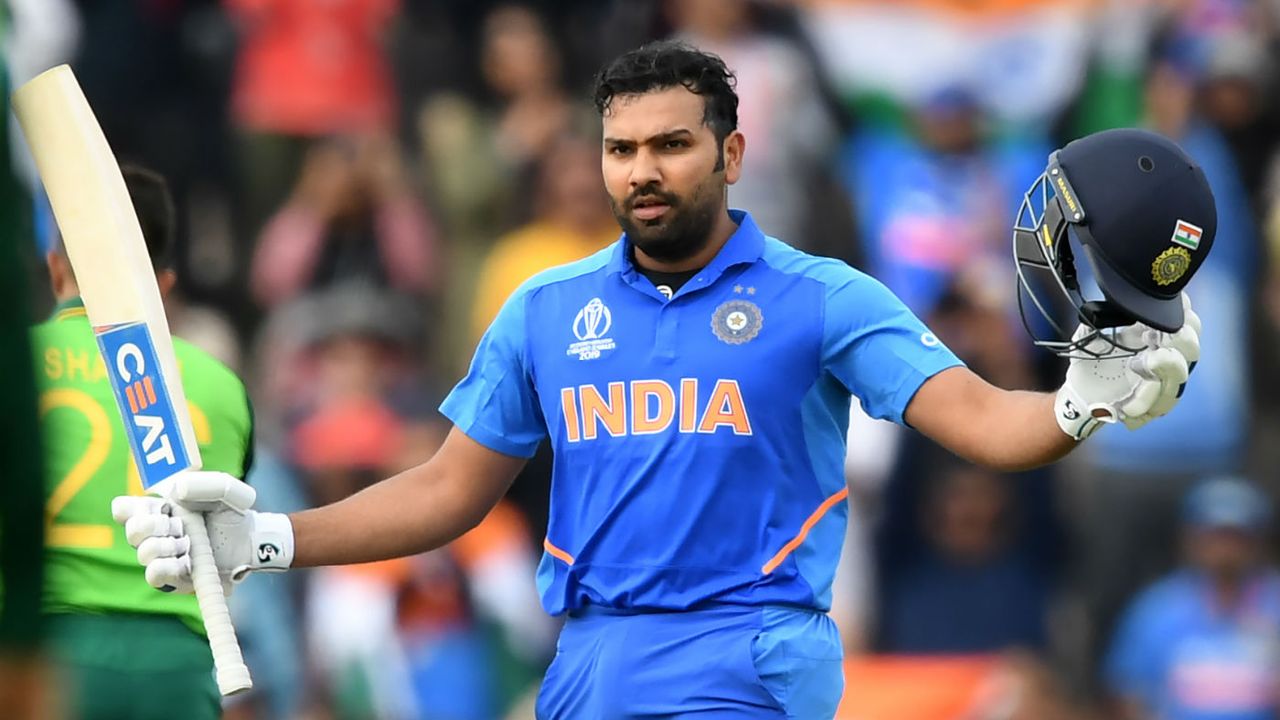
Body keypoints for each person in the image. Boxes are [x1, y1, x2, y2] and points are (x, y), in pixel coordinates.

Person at [116, 42, 1207, 718]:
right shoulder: (544, 309)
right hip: (586, 659)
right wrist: (265, 540)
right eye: (620, 148)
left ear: (729, 156)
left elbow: (977, 419)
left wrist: (1075, 404)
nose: (641, 169)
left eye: (672, 145)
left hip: (749, 653)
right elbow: (448, 491)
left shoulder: (823, 297)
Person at [34, 166, 253, 720]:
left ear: (55, 268)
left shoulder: (17, 362)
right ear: (165, 285)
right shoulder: (223, 385)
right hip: (179, 671)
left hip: (40, 656)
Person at [1104, 476, 1280, 720]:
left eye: (1237, 536)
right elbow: (1128, 693)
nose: (1225, 549)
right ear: (1191, 538)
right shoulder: (1156, 609)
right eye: (1216, 535)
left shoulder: (1274, 602)